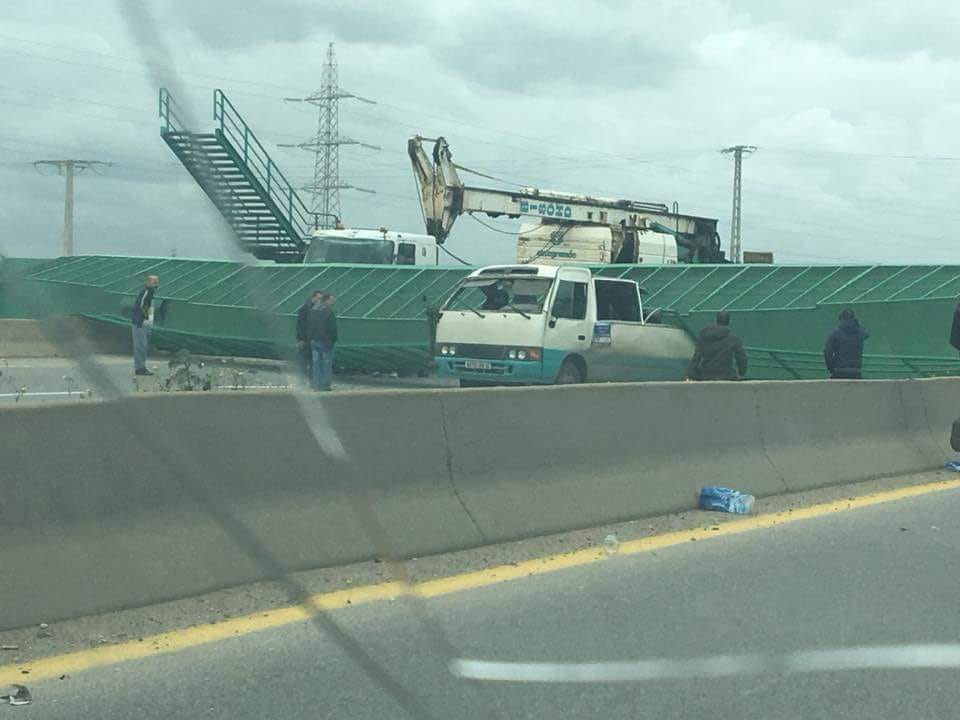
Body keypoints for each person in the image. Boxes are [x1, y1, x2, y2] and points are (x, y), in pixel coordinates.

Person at [687, 310, 747, 381]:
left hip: (706, 376)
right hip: (727, 376)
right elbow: (741, 358)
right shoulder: (733, 339)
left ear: (715, 320)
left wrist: (692, 374)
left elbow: (696, 357)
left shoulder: (703, 337)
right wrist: (741, 372)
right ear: (729, 322)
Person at [824, 308, 869, 379]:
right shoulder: (860, 333)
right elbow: (867, 333)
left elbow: (827, 352)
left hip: (839, 371)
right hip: (856, 372)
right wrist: (856, 324)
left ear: (842, 319)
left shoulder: (835, 333)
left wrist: (831, 368)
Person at [308, 293, 338, 391]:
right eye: (331, 300)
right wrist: (333, 339)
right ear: (326, 300)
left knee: (316, 363)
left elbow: (309, 325)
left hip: (314, 340)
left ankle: (315, 384)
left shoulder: (313, 311)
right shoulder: (329, 312)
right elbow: (332, 328)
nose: (333, 302)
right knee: (326, 363)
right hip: (326, 341)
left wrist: (311, 337)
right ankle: (325, 385)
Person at [131, 274, 159, 376]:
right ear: (148, 282)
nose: (156, 284)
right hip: (140, 323)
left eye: (157, 282)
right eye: (154, 282)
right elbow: (141, 305)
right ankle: (139, 368)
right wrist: (145, 318)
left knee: (143, 346)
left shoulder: (151, 293)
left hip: (145, 323)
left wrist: (150, 320)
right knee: (140, 346)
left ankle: (141, 367)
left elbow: (150, 307)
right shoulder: (146, 292)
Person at [296, 290, 323, 380]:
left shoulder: (317, 309)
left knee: (312, 360)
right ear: (313, 297)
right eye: (318, 298)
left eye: (321, 299)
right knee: (304, 360)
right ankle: (302, 379)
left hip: (313, 339)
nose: (320, 300)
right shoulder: (305, 308)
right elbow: (300, 325)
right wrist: (300, 339)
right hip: (305, 339)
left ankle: (311, 379)